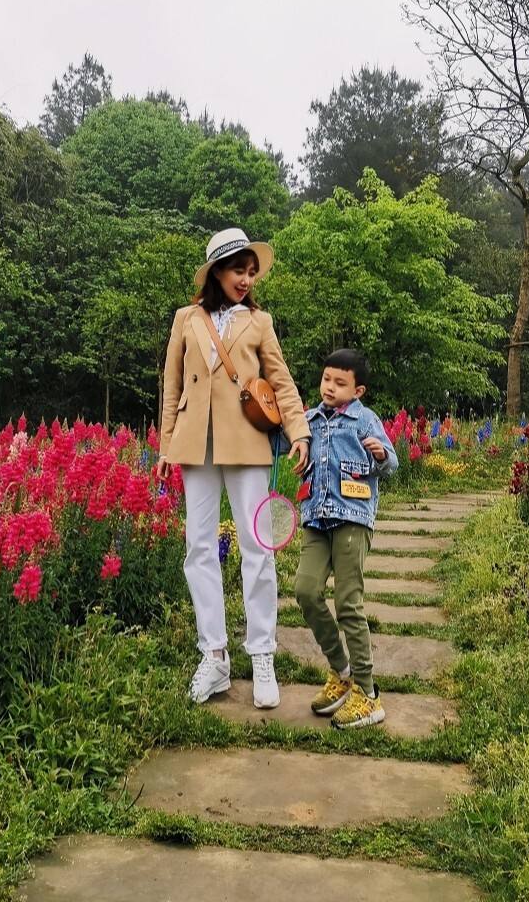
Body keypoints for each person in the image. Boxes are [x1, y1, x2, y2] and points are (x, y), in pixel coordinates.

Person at [156, 228, 310, 709]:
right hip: (194, 442)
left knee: (257, 548)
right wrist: (165, 446)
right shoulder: (186, 318)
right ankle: (215, 655)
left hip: (246, 443)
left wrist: (299, 431)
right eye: (236, 270)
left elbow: (280, 381)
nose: (245, 279)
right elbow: (172, 383)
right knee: (198, 548)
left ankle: (261, 652)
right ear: (215, 273)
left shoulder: (260, 322)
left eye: (250, 271)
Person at [293, 348, 398, 729]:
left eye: (340, 383)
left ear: (358, 390)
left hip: (353, 518)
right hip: (316, 518)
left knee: (348, 602)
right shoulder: (310, 419)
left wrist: (381, 454)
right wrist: (296, 447)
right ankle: (342, 670)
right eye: (326, 380)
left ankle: (368, 695)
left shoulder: (364, 420)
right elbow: (288, 440)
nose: (330, 388)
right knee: (305, 590)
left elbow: (392, 462)